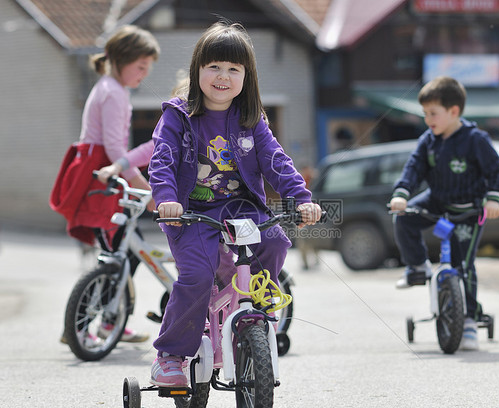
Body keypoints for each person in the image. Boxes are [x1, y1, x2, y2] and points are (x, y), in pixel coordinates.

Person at [147, 21, 322, 386]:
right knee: (196, 275)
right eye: (214, 67)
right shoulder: (178, 116)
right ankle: (171, 355)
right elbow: (161, 159)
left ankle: (255, 308)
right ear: (197, 70)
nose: (222, 76)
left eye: (233, 69)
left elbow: (275, 160)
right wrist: (165, 199)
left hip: (241, 206)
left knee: (273, 240)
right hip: (190, 211)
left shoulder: (250, 119)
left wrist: (300, 198)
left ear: (247, 76)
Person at [50, 25, 160, 343]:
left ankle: (104, 322)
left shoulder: (110, 88)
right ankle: (88, 327)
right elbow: (115, 150)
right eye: (140, 67)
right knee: (119, 253)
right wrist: (144, 187)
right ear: (122, 60)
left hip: (99, 174)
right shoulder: (113, 92)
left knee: (120, 251)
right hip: (104, 178)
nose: (143, 75)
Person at [389, 76, 499, 351]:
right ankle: (417, 266)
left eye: (433, 113)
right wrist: (402, 193)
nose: (428, 119)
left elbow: (497, 171)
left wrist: (493, 198)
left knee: (462, 265)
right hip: (438, 200)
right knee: (403, 218)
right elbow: (413, 168)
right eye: (425, 114)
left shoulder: (475, 139)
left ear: (453, 111)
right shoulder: (428, 140)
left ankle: (468, 320)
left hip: (469, 210)